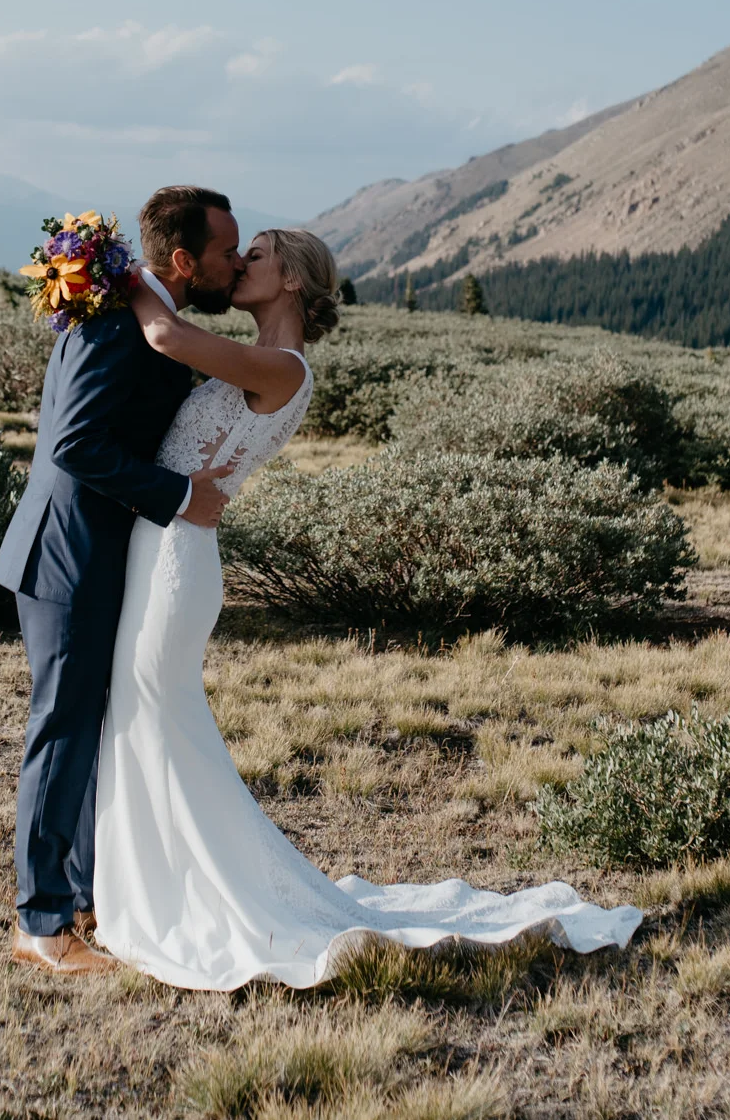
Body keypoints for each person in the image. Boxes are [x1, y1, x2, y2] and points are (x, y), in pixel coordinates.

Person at [93, 226, 645, 990]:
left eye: (254, 255)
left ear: (290, 278)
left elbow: (163, 333)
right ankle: (152, 884)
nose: (239, 264)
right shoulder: (260, 356)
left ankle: (190, 897)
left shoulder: (282, 367)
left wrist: (106, 264)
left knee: (158, 720)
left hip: (176, 564)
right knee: (146, 719)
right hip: (163, 547)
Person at [0, 186, 244, 975]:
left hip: (97, 554)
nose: (232, 264)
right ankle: (41, 922)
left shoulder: (136, 311)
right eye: (224, 252)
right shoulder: (112, 320)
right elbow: (74, 444)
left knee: (89, 725)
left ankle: (84, 896)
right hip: (69, 555)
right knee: (63, 729)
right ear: (181, 260)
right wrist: (180, 497)